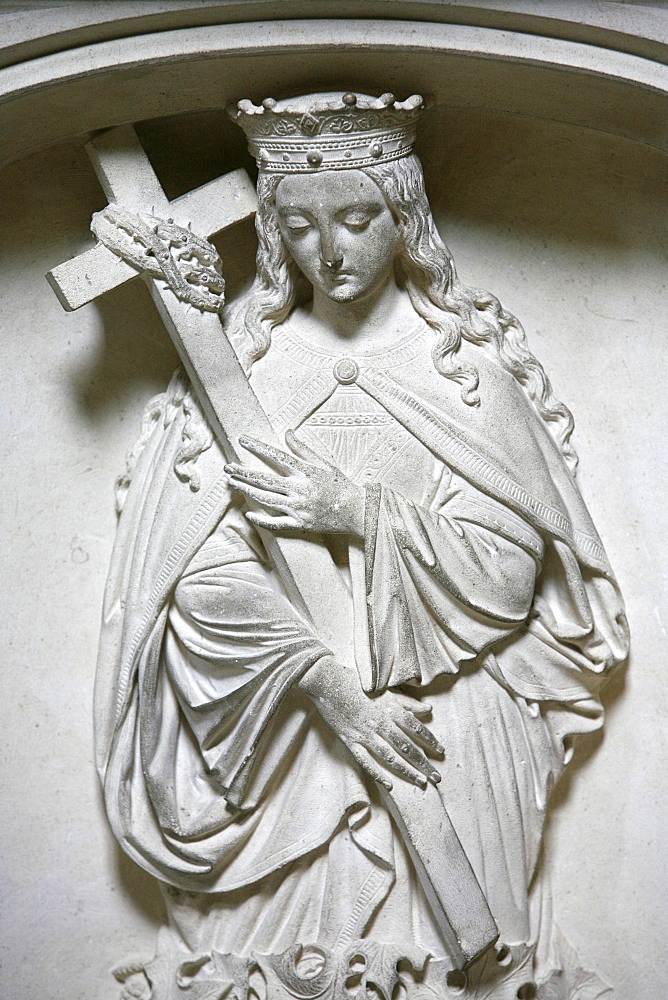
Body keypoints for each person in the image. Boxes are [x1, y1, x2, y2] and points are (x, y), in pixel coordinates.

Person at [96, 93, 628, 999]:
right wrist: (333, 690)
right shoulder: (246, 374)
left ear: (404, 217)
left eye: (356, 218)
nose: (330, 252)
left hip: (449, 714)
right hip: (287, 728)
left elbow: (509, 574)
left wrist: (357, 510)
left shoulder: (462, 376)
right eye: (299, 226)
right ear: (271, 230)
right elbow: (189, 577)